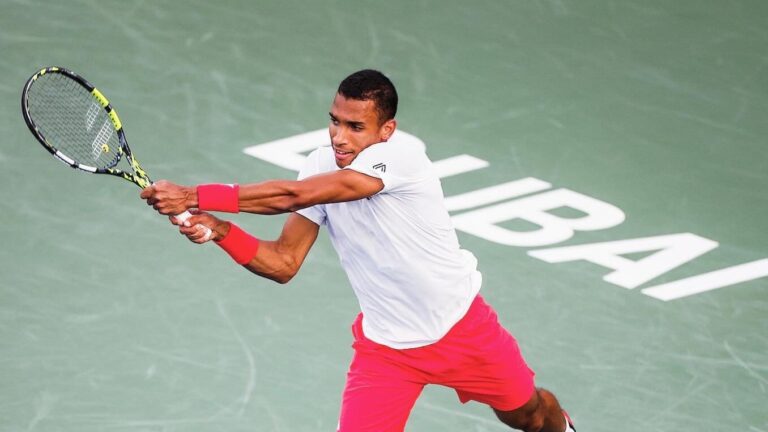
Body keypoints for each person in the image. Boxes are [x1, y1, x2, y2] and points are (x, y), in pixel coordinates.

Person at [140, 69, 576, 432]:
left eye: (355, 127)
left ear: (387, 130)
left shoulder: (403, 157)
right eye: (334, 121)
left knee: (531, 416)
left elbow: (292, 196)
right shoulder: (318, 165)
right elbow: (283, 263)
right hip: (385, 351)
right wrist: (220, 230)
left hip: (462, 330)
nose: (339, 138)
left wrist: (193, 195)